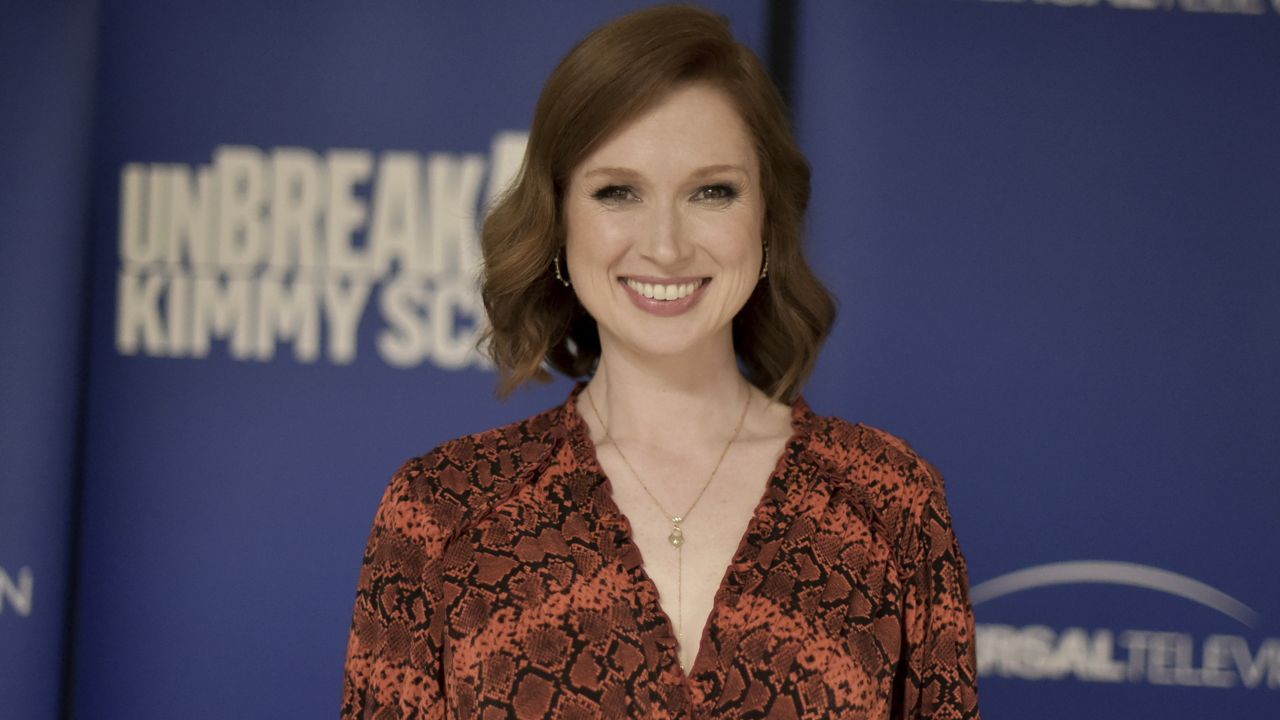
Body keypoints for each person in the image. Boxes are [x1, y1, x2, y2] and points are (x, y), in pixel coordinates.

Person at [342, 5, 979, 718]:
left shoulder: (890, 502)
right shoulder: (444, 512)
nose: (667, 246)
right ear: (558, 218)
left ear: (766, 220)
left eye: (712, 192)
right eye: (619, 192)